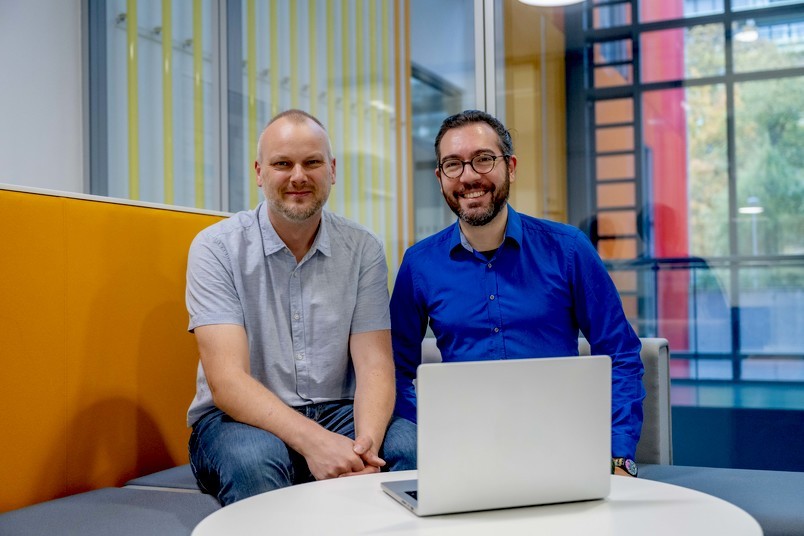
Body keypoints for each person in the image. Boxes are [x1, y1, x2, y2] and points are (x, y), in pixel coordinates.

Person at [390, 110, 645, 477]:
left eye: (483, 160)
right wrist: (431, 429)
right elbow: (394, 371)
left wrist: (619, 454)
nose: (469, 176)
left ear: (510, 166)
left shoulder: (569, 250)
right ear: (440, 177)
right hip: (465, 453)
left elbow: (620, 353)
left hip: (563, 446)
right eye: (453, 165)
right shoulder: (419, 265)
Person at [185, 109, 416, 505]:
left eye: (312, 162)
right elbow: (227, 382)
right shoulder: (215, 248)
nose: (298, 176)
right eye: (282, 164)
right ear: (259, 172)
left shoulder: (362, 249)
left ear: (332, 170)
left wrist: (365, 449)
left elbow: (375, 366)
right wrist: (318, 444)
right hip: (239, 421)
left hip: (340, 410)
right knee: (254, 462)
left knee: (412, 449)